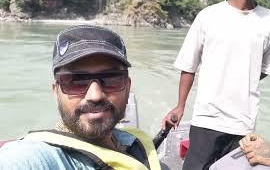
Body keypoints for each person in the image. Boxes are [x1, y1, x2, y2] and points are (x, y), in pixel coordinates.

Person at [0, 25, 161, 170]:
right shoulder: (35, 157)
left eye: (111, 78)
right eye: (75, 81)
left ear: (128, 86)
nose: (95, 95)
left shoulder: (134, 140)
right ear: (56, 91)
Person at [162, 0, 270, 169]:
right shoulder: (209, 16)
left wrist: (242, 78)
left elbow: (264, 69)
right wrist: (180, 106)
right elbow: (189, 65)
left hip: (244, 123)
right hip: (207, 118)